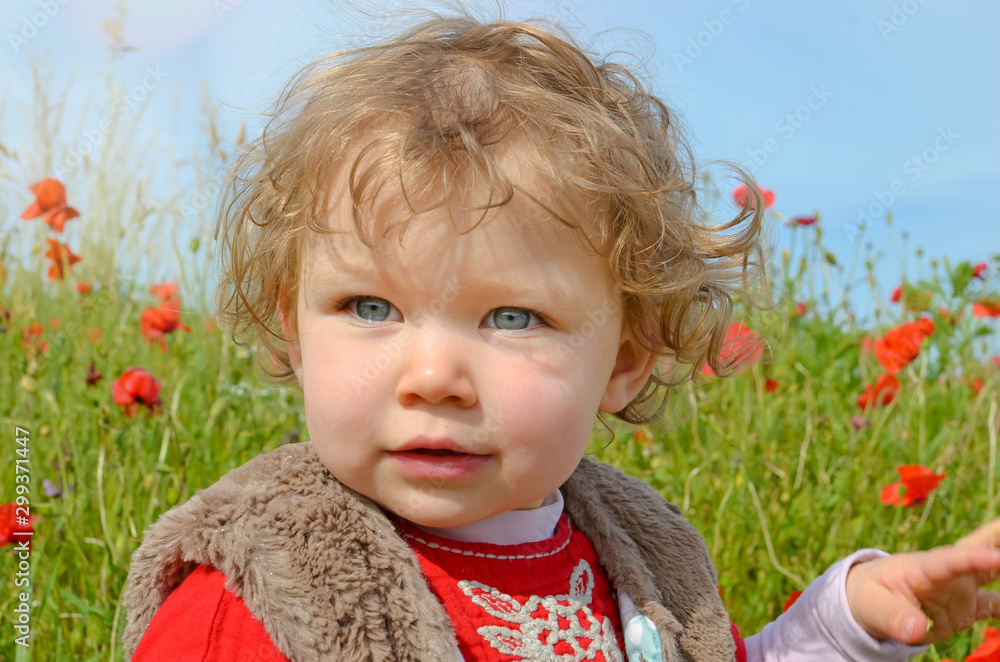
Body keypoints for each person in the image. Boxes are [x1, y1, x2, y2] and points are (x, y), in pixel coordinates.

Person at [121, 7, 1000, 662]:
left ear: (623, 360)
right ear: (293, 328)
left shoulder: (642, 559)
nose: (433, 376)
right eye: (370, 308)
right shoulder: (259, 598)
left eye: (512, 318)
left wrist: (842, 624)